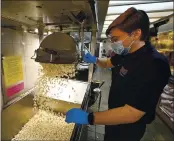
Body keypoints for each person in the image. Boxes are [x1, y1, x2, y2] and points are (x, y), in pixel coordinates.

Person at [65, 7, 171, 141]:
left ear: (136, 34)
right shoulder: (126, 53)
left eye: (116, 39)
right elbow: (109, 63)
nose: (114, 43)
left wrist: (89, 117)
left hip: (129, 128)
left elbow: (133, 113)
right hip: (113, 118)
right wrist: (95, 59)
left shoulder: (154, 64)